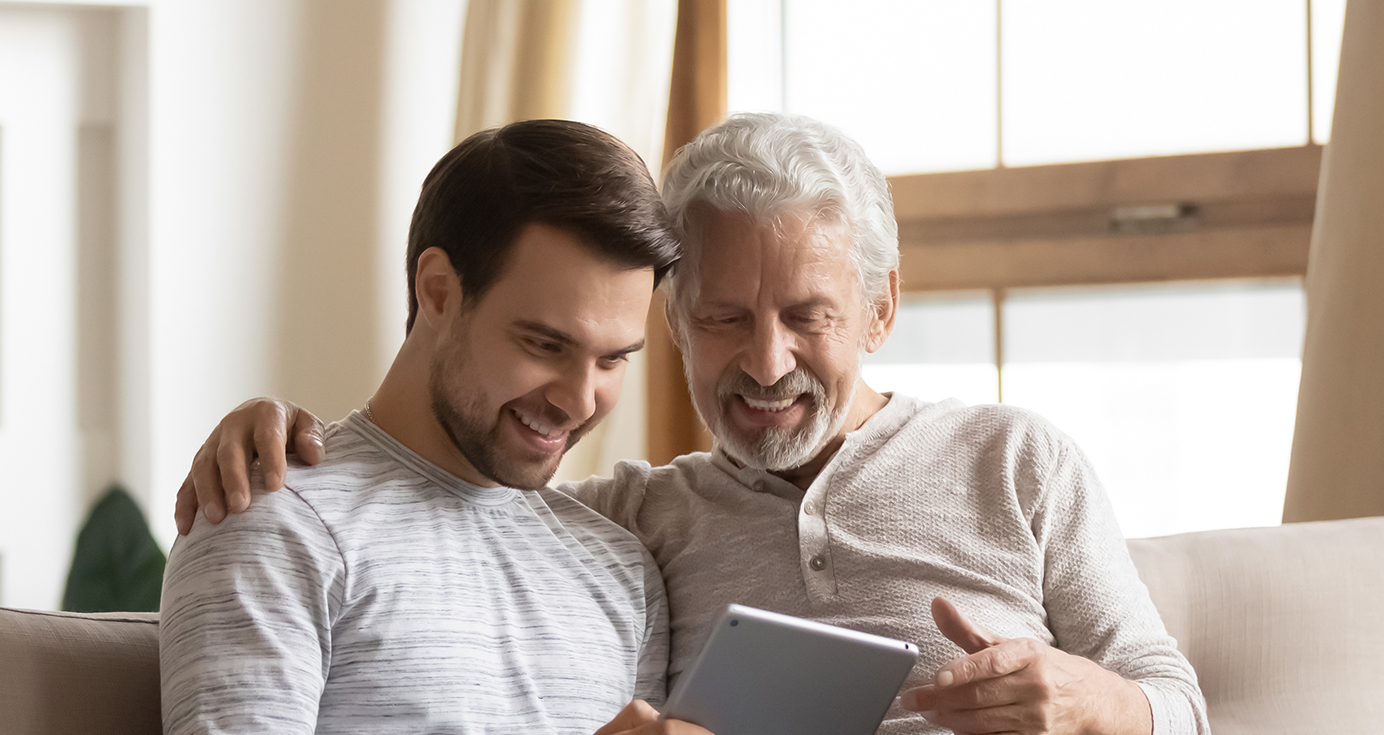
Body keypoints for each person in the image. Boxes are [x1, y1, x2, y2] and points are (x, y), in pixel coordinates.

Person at [174, 113, 1211, 735]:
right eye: (720, 319)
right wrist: (277, 438)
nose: (765, 363)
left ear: (880, 310)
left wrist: (1099, 705)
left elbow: (1174, 697)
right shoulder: (626, 526)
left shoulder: (1012, 461)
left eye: (808, 317)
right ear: (679, 320)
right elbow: (424, 501)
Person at [160, 119, 709, 735]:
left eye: (613, 359)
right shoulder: (273, 524)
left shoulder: (622, 571)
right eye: (545, 345)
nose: (580, 399)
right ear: (439, 291)